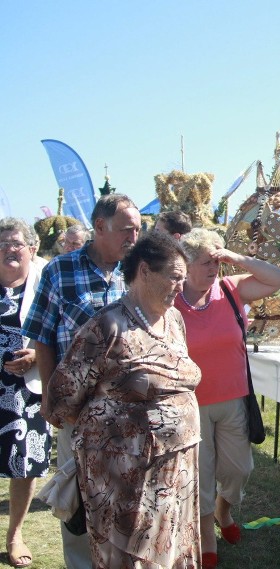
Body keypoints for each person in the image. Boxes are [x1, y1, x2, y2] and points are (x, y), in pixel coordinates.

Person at [42, 231, 202, 567]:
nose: (180, 287)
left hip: (176, 470)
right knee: (131, 556)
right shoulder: (107, 325)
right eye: (174, 277)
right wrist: (118, 428)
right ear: (144, 271)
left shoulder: (174, 319)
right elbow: (60, 398)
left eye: (183, 279)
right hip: (125, 477)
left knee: (170, 550)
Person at [23, 193, 141, 569]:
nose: (134, 237)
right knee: (77, 496)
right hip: (78, 409)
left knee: (126, 495)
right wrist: (48, 394)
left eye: (138, 229)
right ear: (100, 227)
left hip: (130, 408)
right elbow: (42, 335)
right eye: (127, 229)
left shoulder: (139, 271)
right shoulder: (59, 270)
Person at [176, 228, 280, 568]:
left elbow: (277, 278)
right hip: (191, 404)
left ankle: (225, 508)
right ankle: (207, 536)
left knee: (239, 469)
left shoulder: (229, 288)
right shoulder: (170, 298)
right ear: (186, 264)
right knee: (202, 474)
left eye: (217, 261)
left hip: (234, 399)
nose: (214, 268)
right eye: (207, 262)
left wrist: (235, 257)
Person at [0, 218, 50, 568]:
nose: (8, 249)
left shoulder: (45, 281)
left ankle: (15, 534)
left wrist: (37, 354)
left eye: (16, 242)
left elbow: (62, 329)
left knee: (24, 465)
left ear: (32, 248)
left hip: (27, 388)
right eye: (2, 243)